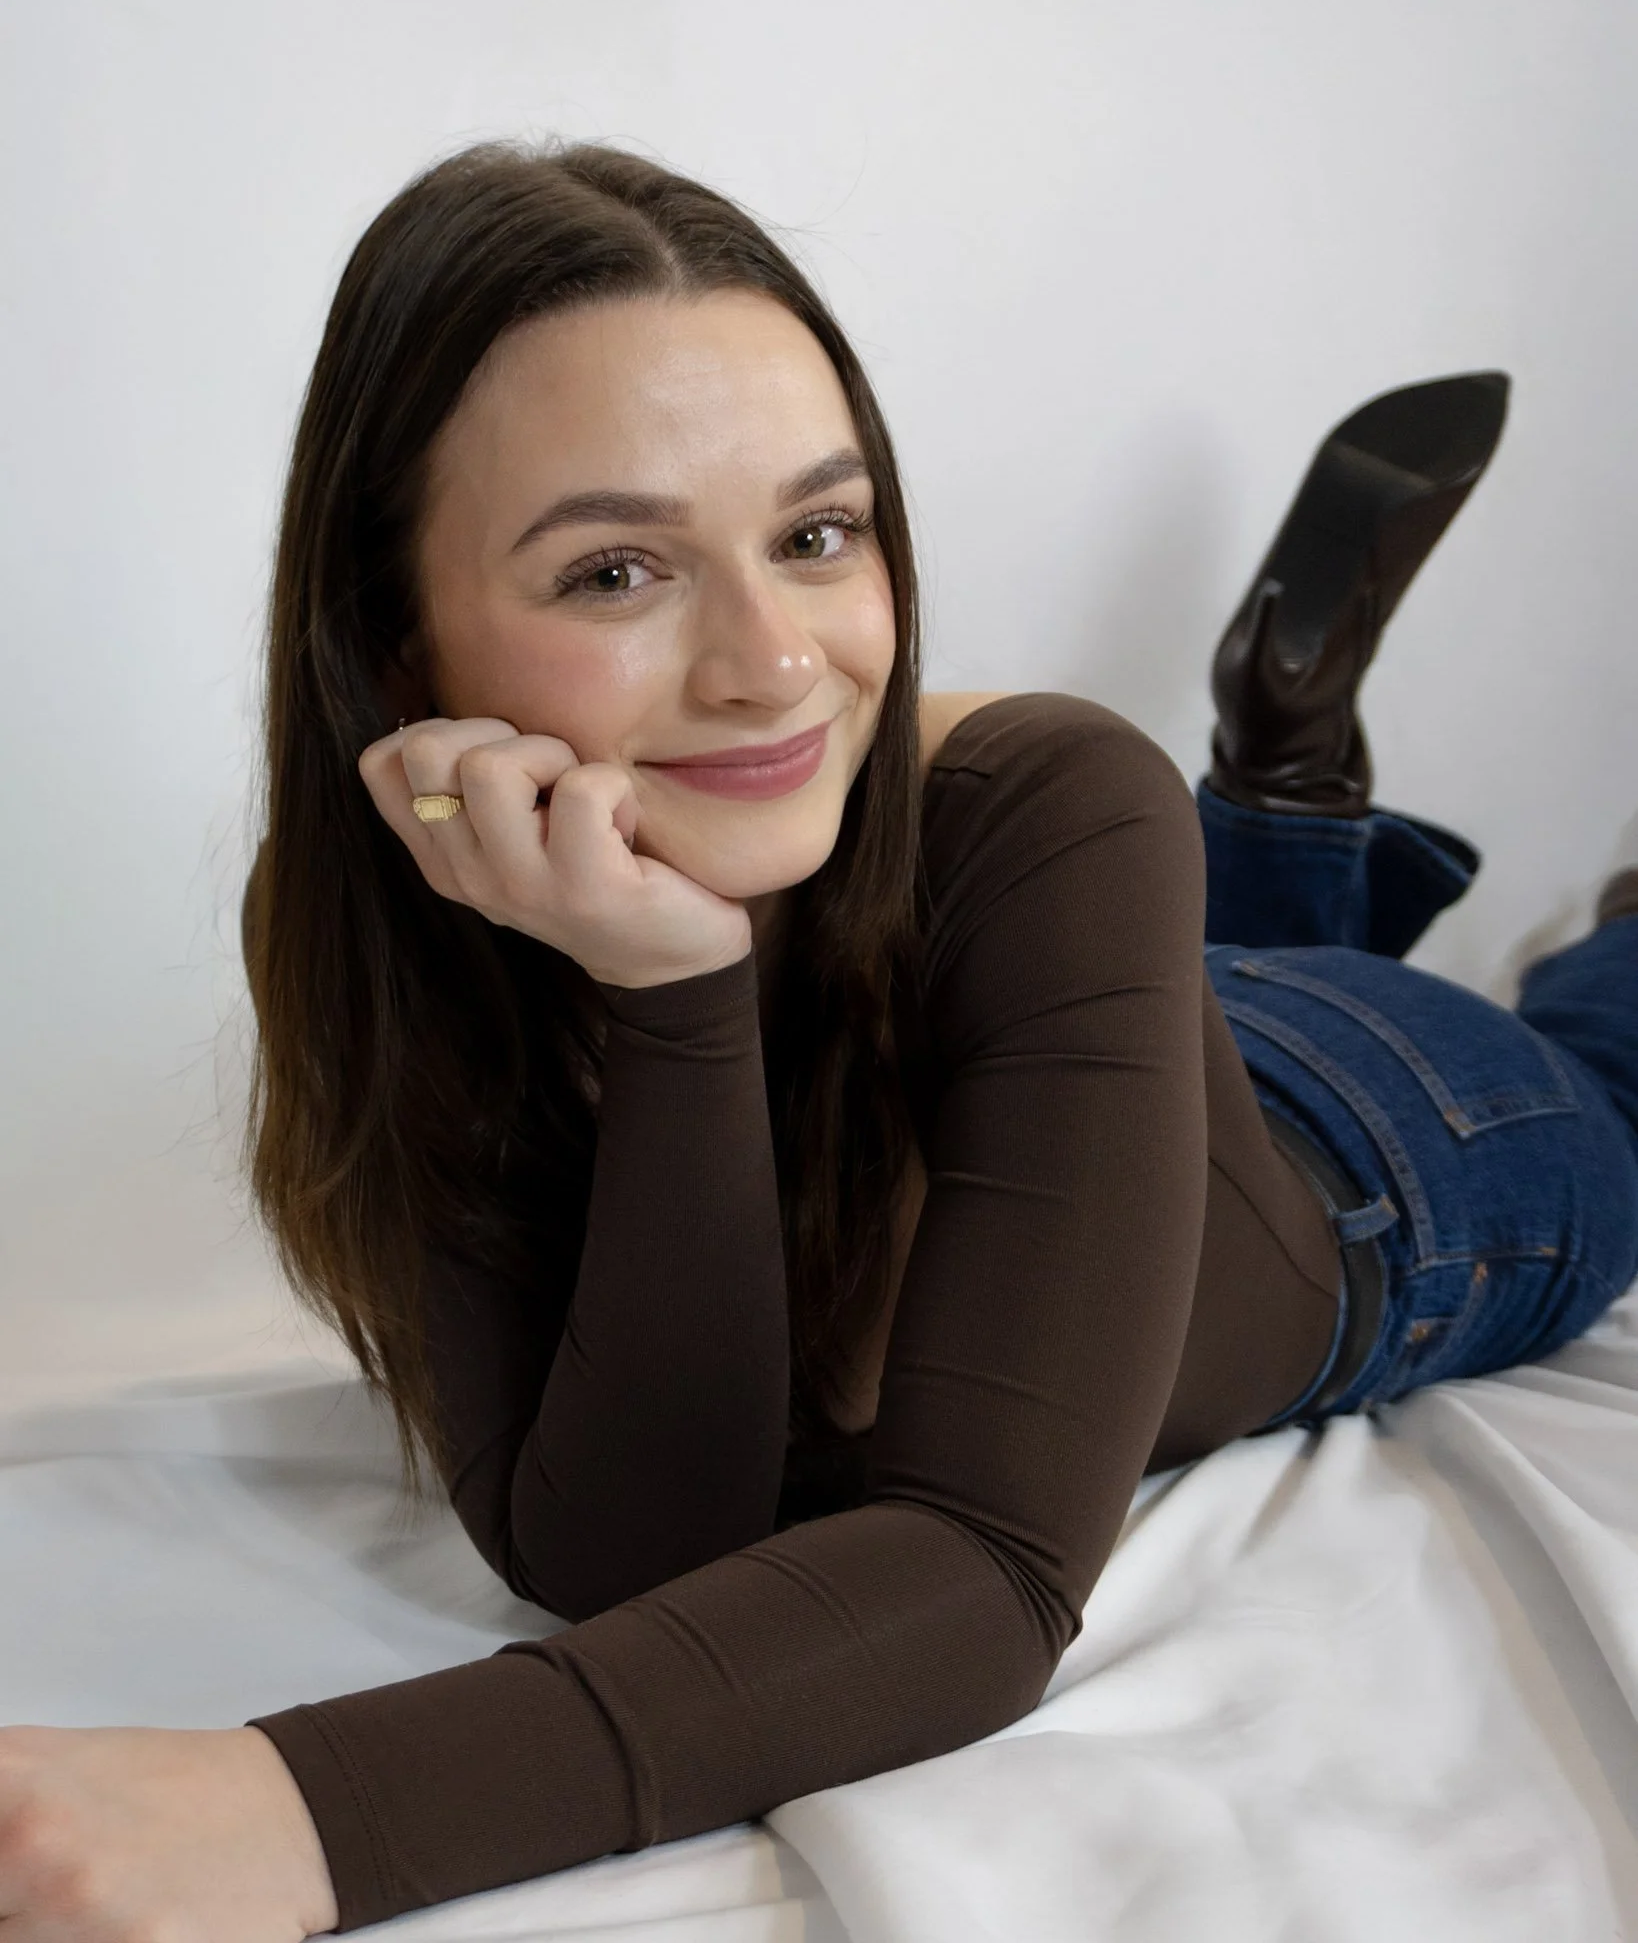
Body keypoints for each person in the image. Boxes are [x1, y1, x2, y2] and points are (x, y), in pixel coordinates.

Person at [1, 143, 1634, 1942]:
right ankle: (1279, 771)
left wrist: (295, 1808)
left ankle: (1410, 844)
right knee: (1159, 961)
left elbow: (987, 1574)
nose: (772, 664)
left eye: (815, 534)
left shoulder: (1053, 801)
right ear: (399, 652)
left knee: (1603, 1054)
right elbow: (631, 1558)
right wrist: (671, 994)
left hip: (1393, 1160)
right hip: (1101, 1039)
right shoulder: (413, 917)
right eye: (618, 569)